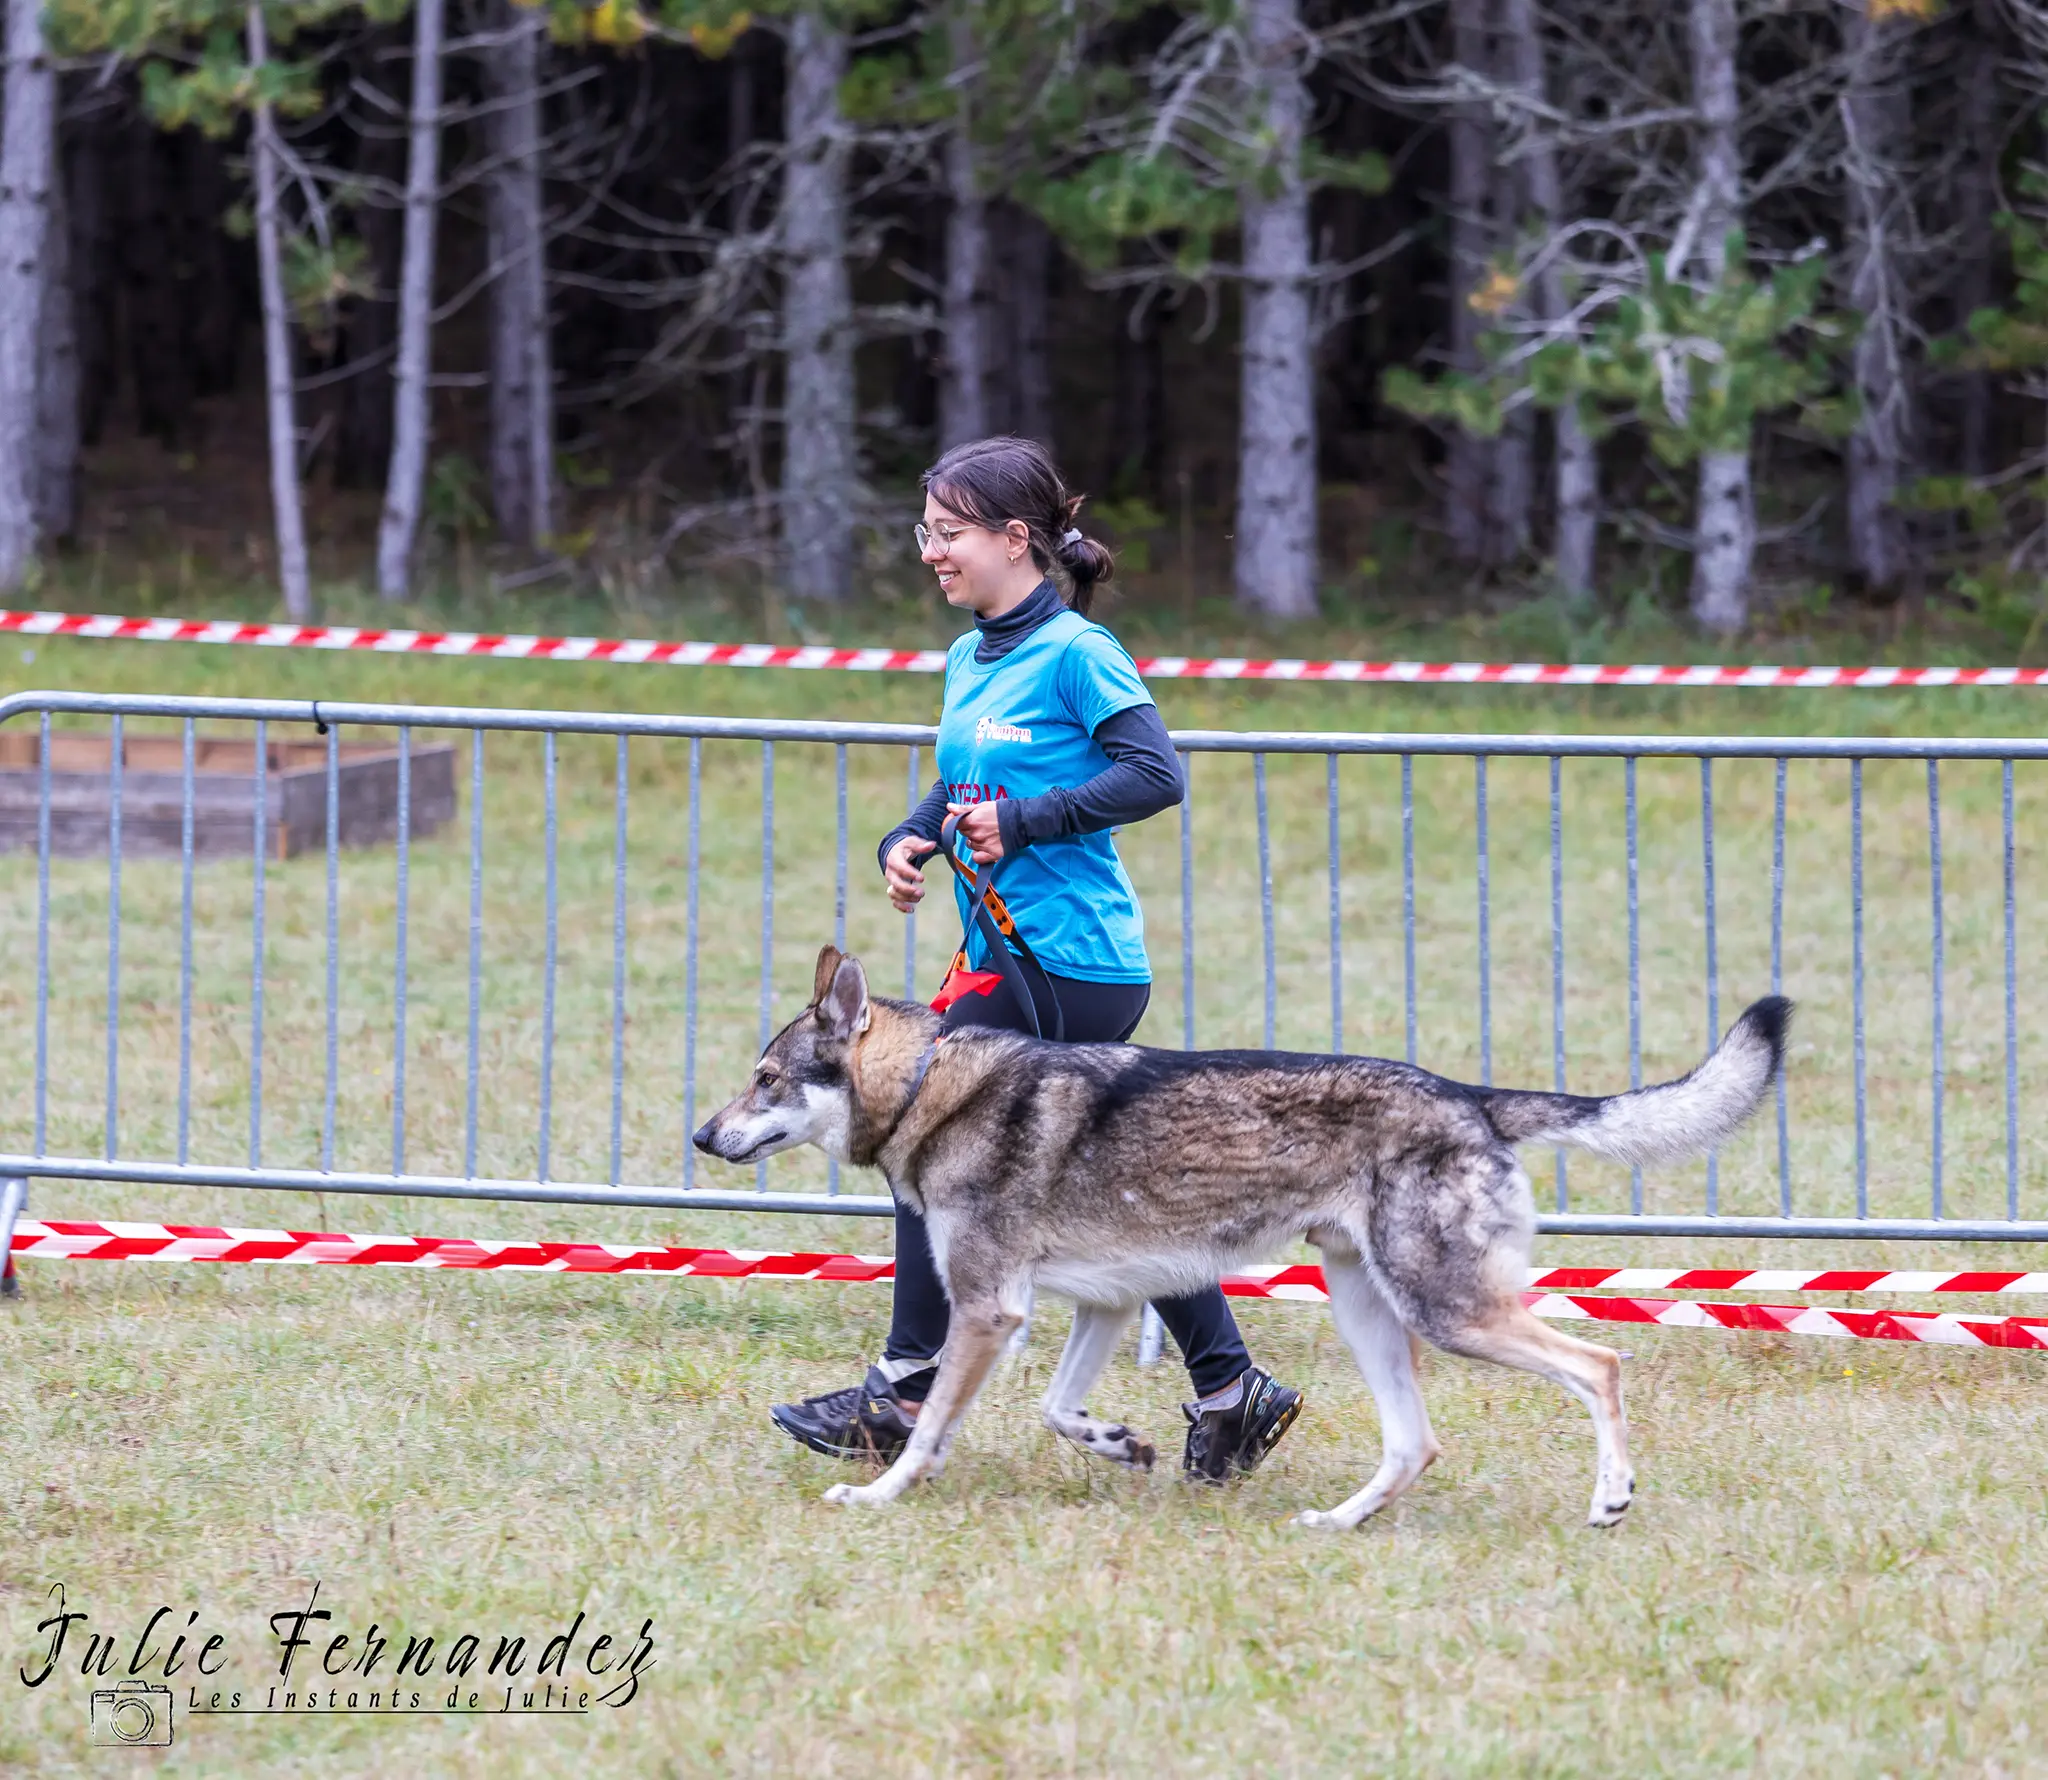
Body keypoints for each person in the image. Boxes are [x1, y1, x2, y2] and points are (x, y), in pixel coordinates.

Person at [769, 435, 1304, 1483]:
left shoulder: (1078, 654)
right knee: (1114, 1184)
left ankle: (905, 1388)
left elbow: (1155, 775)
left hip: (1073, 963)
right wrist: (908, 836)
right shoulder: (971, 654)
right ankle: (1231, 1389)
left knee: (919, 1143)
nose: (931, 551)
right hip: (1000, 955)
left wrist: (1026, 821)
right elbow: (959, 780)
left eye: (949, 532)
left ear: (1017, 539)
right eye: (925, 532)